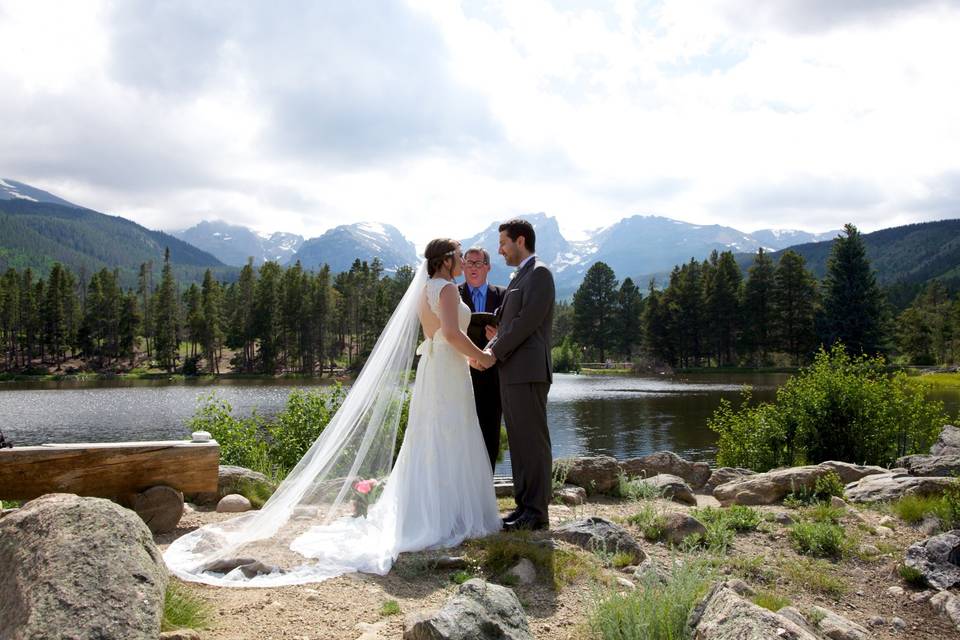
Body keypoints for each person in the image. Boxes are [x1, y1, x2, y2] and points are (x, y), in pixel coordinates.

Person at [164, 239, 501, 586]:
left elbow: (438, 338)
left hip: (436, 367)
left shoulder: (425, 289)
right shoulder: (446, 289)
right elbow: (449, 333)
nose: (462, 262)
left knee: (433, 436)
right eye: (459, 257)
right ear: (446, 261)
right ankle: (448, 516)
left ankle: (433, 510)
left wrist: (469, 356)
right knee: (450, 433)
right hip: (445, 369)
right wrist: (484, 356)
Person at [476, 218, 555, 532]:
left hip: (528, 372)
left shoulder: (540, 274)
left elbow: (526, 322)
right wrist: (493, 338)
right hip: (512, 372)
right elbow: (511, 325)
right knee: (521, 443)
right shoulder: (520, 276)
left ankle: (537, 512)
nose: (500, 250)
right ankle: (524, 507)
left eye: (503, 243)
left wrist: (493, 351)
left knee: (533, 442)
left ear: (520, 241)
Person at [458, 247, 506, 470]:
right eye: (469, 263)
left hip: (494, 377)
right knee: (460, 436)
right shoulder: (452, 295)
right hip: (459, 375)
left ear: (488, 267)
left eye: (478, 263)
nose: (473, 268)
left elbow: (516, 333)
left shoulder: (504, 295)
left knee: (490, 435)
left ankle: (486, 491)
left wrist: (500, 337)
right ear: (463, 266)